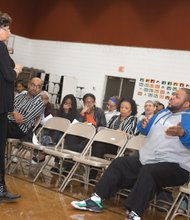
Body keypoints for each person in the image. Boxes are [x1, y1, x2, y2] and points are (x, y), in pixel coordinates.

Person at [71, 88, 190, 220]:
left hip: (177, 167)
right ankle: (95, 199)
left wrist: (182, 134)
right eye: (173, 94)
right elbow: (147, 130)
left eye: (177, 96)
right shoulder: (162, 113)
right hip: (149, 160)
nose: (172, 97)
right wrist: (143, 126)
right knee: (119, 163)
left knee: (149, 171)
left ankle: (134, 213)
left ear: (186, 103)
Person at [0, 11, 23, 201]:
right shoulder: (0, 48)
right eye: (6, 28)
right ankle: (0, 189)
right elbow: (9, 76)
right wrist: (16, 70)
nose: (9, 32)